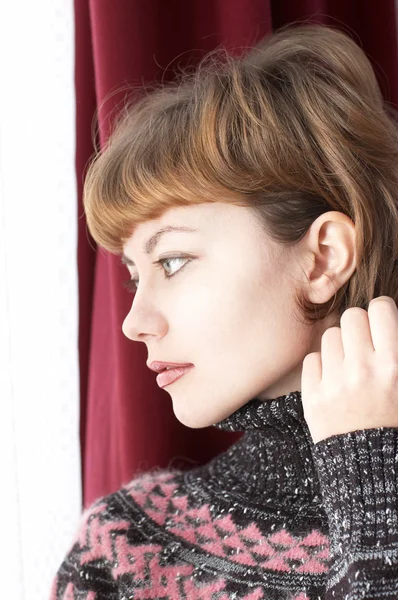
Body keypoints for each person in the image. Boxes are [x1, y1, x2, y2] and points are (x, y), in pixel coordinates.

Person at [50, 22, 398, 599]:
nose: (134, 323)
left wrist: (370, 496)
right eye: (133, 275)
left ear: (323, 259)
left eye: (174, 261)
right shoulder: (125, 550)